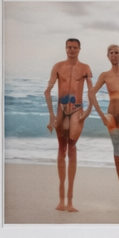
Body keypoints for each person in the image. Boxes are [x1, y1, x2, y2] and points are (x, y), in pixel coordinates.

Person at [89, 44, 119, 216]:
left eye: (117, 52)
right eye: (111, 52)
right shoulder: (105, 75)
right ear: (108, 56)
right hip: (111, 116)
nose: (114, 55)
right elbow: (91, 93)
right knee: (118, 158)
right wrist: (101, 116)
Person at [45, 38, 92, 213]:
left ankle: (70, 201)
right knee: (61, 148)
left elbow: (91, 92)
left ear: (80, 49)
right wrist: (51, 115)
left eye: (75, 47)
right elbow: (47, 91)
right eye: (69, 47)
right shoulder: (58, 66)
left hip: (77, 109)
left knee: (72, 148)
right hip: (60, 109)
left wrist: (87, 113)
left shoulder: (85, 68)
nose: (72, 50)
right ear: (65, 48)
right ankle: (61, 201)